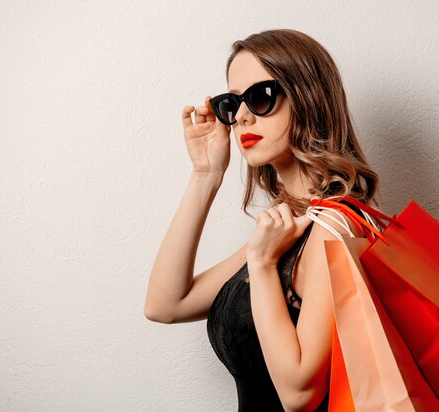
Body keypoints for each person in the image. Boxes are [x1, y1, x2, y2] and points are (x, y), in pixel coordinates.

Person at [144, 29, 380, 411]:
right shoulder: (293, 226)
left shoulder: (333, 229)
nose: (240, 116)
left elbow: (299, 395)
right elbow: (164, 304)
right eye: (231, 103)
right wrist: (206, 174)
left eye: (260, 97)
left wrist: (264, 263)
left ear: (308, 99)